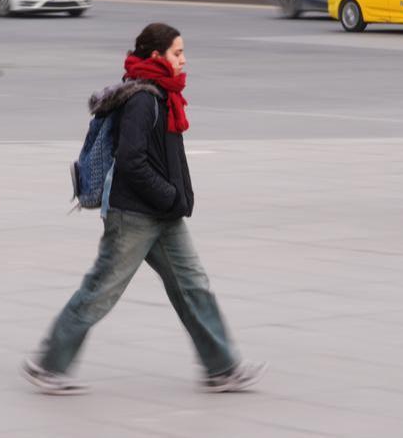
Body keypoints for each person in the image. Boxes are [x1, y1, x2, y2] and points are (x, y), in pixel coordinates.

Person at [21, 23, 265, 395]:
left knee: (193, 286)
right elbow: (131, 161)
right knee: (101, 290)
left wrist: (172, 201)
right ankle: (48, 365)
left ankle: (222, 368)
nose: (184, 60)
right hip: (133, 216)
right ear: (156, 56)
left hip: (163, 215)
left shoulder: (164, 94)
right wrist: (168, 195)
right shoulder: (143, 100)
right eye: (177, 53)